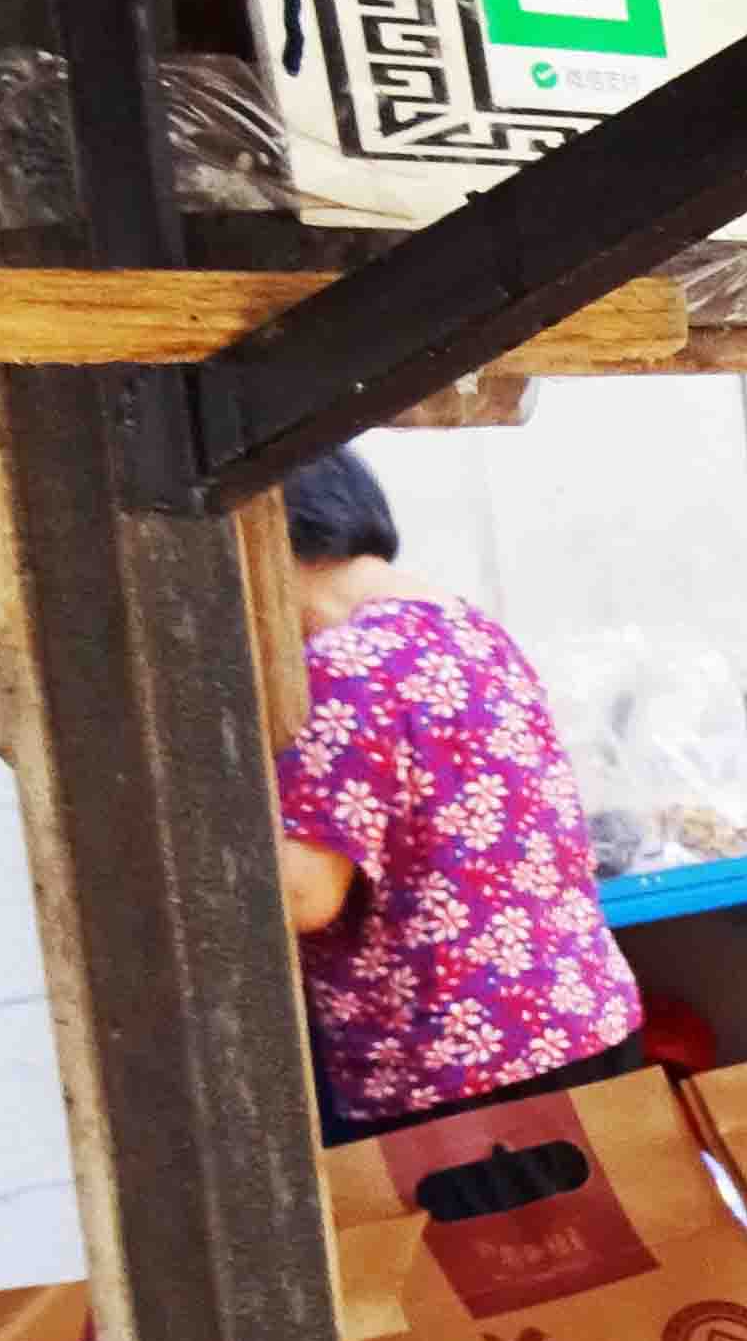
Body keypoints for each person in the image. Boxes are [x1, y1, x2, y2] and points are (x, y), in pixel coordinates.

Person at [272, 443, 646, 1142]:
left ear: (261, 540)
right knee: (609, 1250)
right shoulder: (472, 632)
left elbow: (304, 895)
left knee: (496, 1257)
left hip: (460, 1072)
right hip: (581, 1021)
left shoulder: (338, 666)